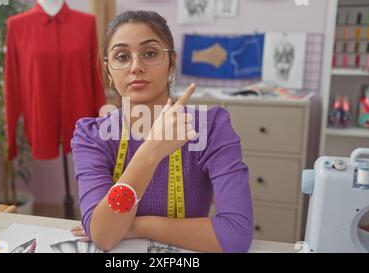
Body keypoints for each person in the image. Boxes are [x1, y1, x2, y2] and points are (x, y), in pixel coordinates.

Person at [70, 10, 253, 253]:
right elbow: (103, 236)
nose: (136, 67)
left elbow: (235, 236)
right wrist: (151, 150)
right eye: (122, 57)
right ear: (109, 72)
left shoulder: (210, 128)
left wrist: (134, 226)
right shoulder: (91, 136)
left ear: (171, 62)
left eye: (150, 53)